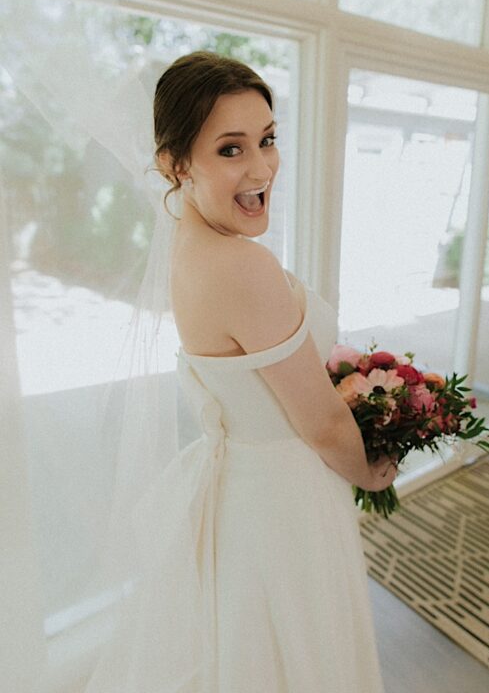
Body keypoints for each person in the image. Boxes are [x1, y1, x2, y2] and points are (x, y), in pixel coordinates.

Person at [85, 51, 395, 692]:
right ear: (176, 165)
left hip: (245, 497)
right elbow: (322, 425)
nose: (262, 168)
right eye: (231, 149)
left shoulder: (188, 244)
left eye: (268, 139)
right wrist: (373, 468)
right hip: (287, 499)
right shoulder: (241, 266)